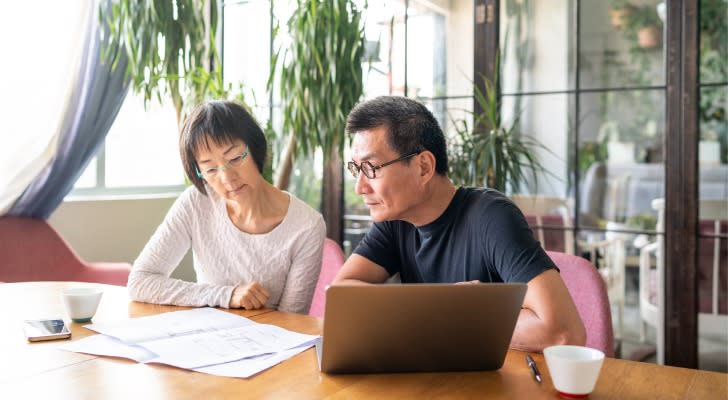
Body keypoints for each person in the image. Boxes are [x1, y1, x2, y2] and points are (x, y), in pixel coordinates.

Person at [332, 96, 586, 352]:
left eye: (372, 168)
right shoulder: (396, 221)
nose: (360, 188)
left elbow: (563, 333)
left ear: (423, 167)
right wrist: (441, 309)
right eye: (357, 170)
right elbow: (340, 295)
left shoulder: (491, 217)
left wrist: (446, 317)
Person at [128, 100, 326, 314]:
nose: (227, 178)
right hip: (207, 339)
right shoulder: (196, 202)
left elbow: (292, 322)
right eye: (211, 169)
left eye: (235, 158)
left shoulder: (307, 226)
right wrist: (225, 295)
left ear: (256, 148)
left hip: (268, 342)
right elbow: (140, 281)